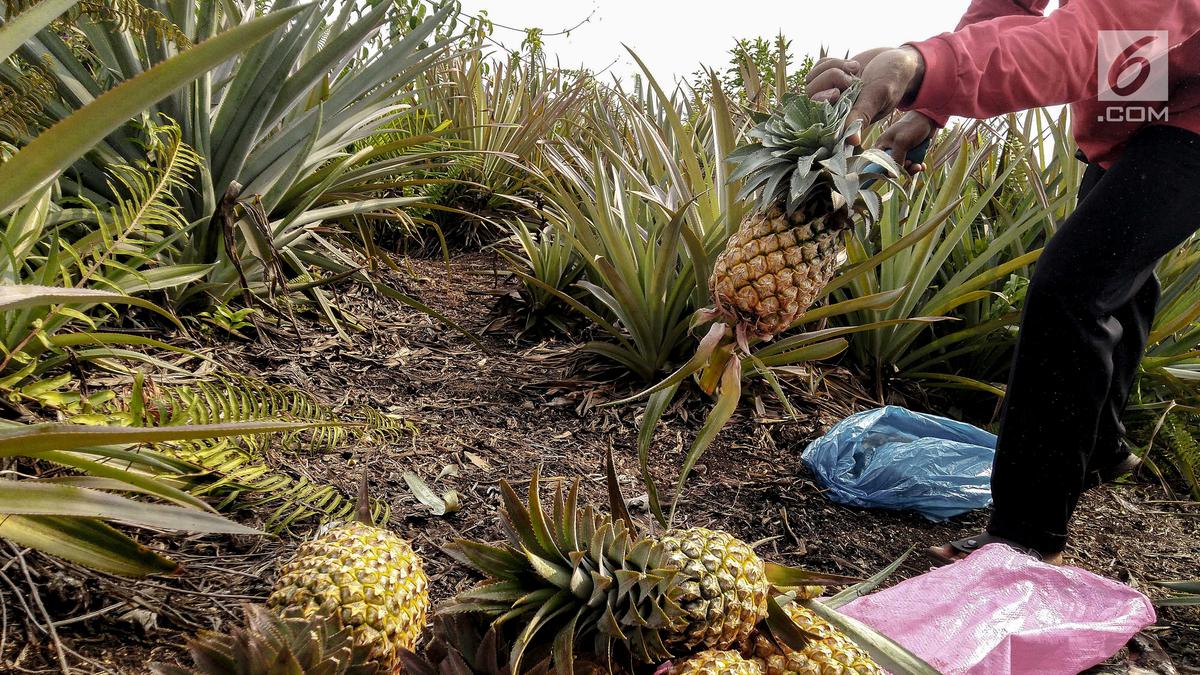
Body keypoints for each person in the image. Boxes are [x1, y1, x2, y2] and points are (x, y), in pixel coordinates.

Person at [804, 0, 1200, 565]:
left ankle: (1026, 537)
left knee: (1072, 287)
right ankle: (1100, 449)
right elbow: (1011, 6)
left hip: (1178, 88)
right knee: (1114, 265)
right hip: (1148, 72)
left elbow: (1091, 36)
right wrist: (933, 105)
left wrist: (921, 69)